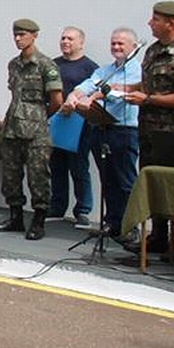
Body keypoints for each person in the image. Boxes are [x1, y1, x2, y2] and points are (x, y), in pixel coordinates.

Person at [125, 1, 174, 259]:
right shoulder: (153, 51)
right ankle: (157, 236)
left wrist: (147, 99)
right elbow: (150, 84)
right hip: (148, 131)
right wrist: (126, 90)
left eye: (155, 19)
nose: (150, 23)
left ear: (171, 23)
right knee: (152, 182)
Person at [66, 28, 141, 237]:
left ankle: (130, 226)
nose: (116, 47)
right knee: (108, 179)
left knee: (125, 180)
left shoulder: (136, 71)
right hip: (102, 129)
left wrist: (94, 96)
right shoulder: (106, 70)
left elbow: (119, 93)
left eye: (121, 44)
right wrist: (76, 94)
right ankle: (113, 222)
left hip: (124, 131)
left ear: (133, 48)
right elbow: (89, 83)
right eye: (113, 43)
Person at [0, 19, 63, 240]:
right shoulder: (14, 64)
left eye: (22, 34)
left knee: (38, 177)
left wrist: (39, 119)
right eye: (15, 35)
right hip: (12, 128)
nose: (18, 39)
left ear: (34, 35)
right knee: (11, 176)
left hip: (36, 133)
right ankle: (16, 217)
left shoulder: (46, 65)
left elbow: (56, 101)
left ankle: (39, 220)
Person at [49, 26, 99, 226]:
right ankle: (57, 206)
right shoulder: (53, 64)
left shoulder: (90, 68)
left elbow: (93, 93)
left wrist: (75, 105)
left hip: (81, 126)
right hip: (56, 121)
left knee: (79, 167)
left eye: (70, 38)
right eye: (62, 38)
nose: (65, 42)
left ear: (81, 42)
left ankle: (83, 210)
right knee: (56, 166)